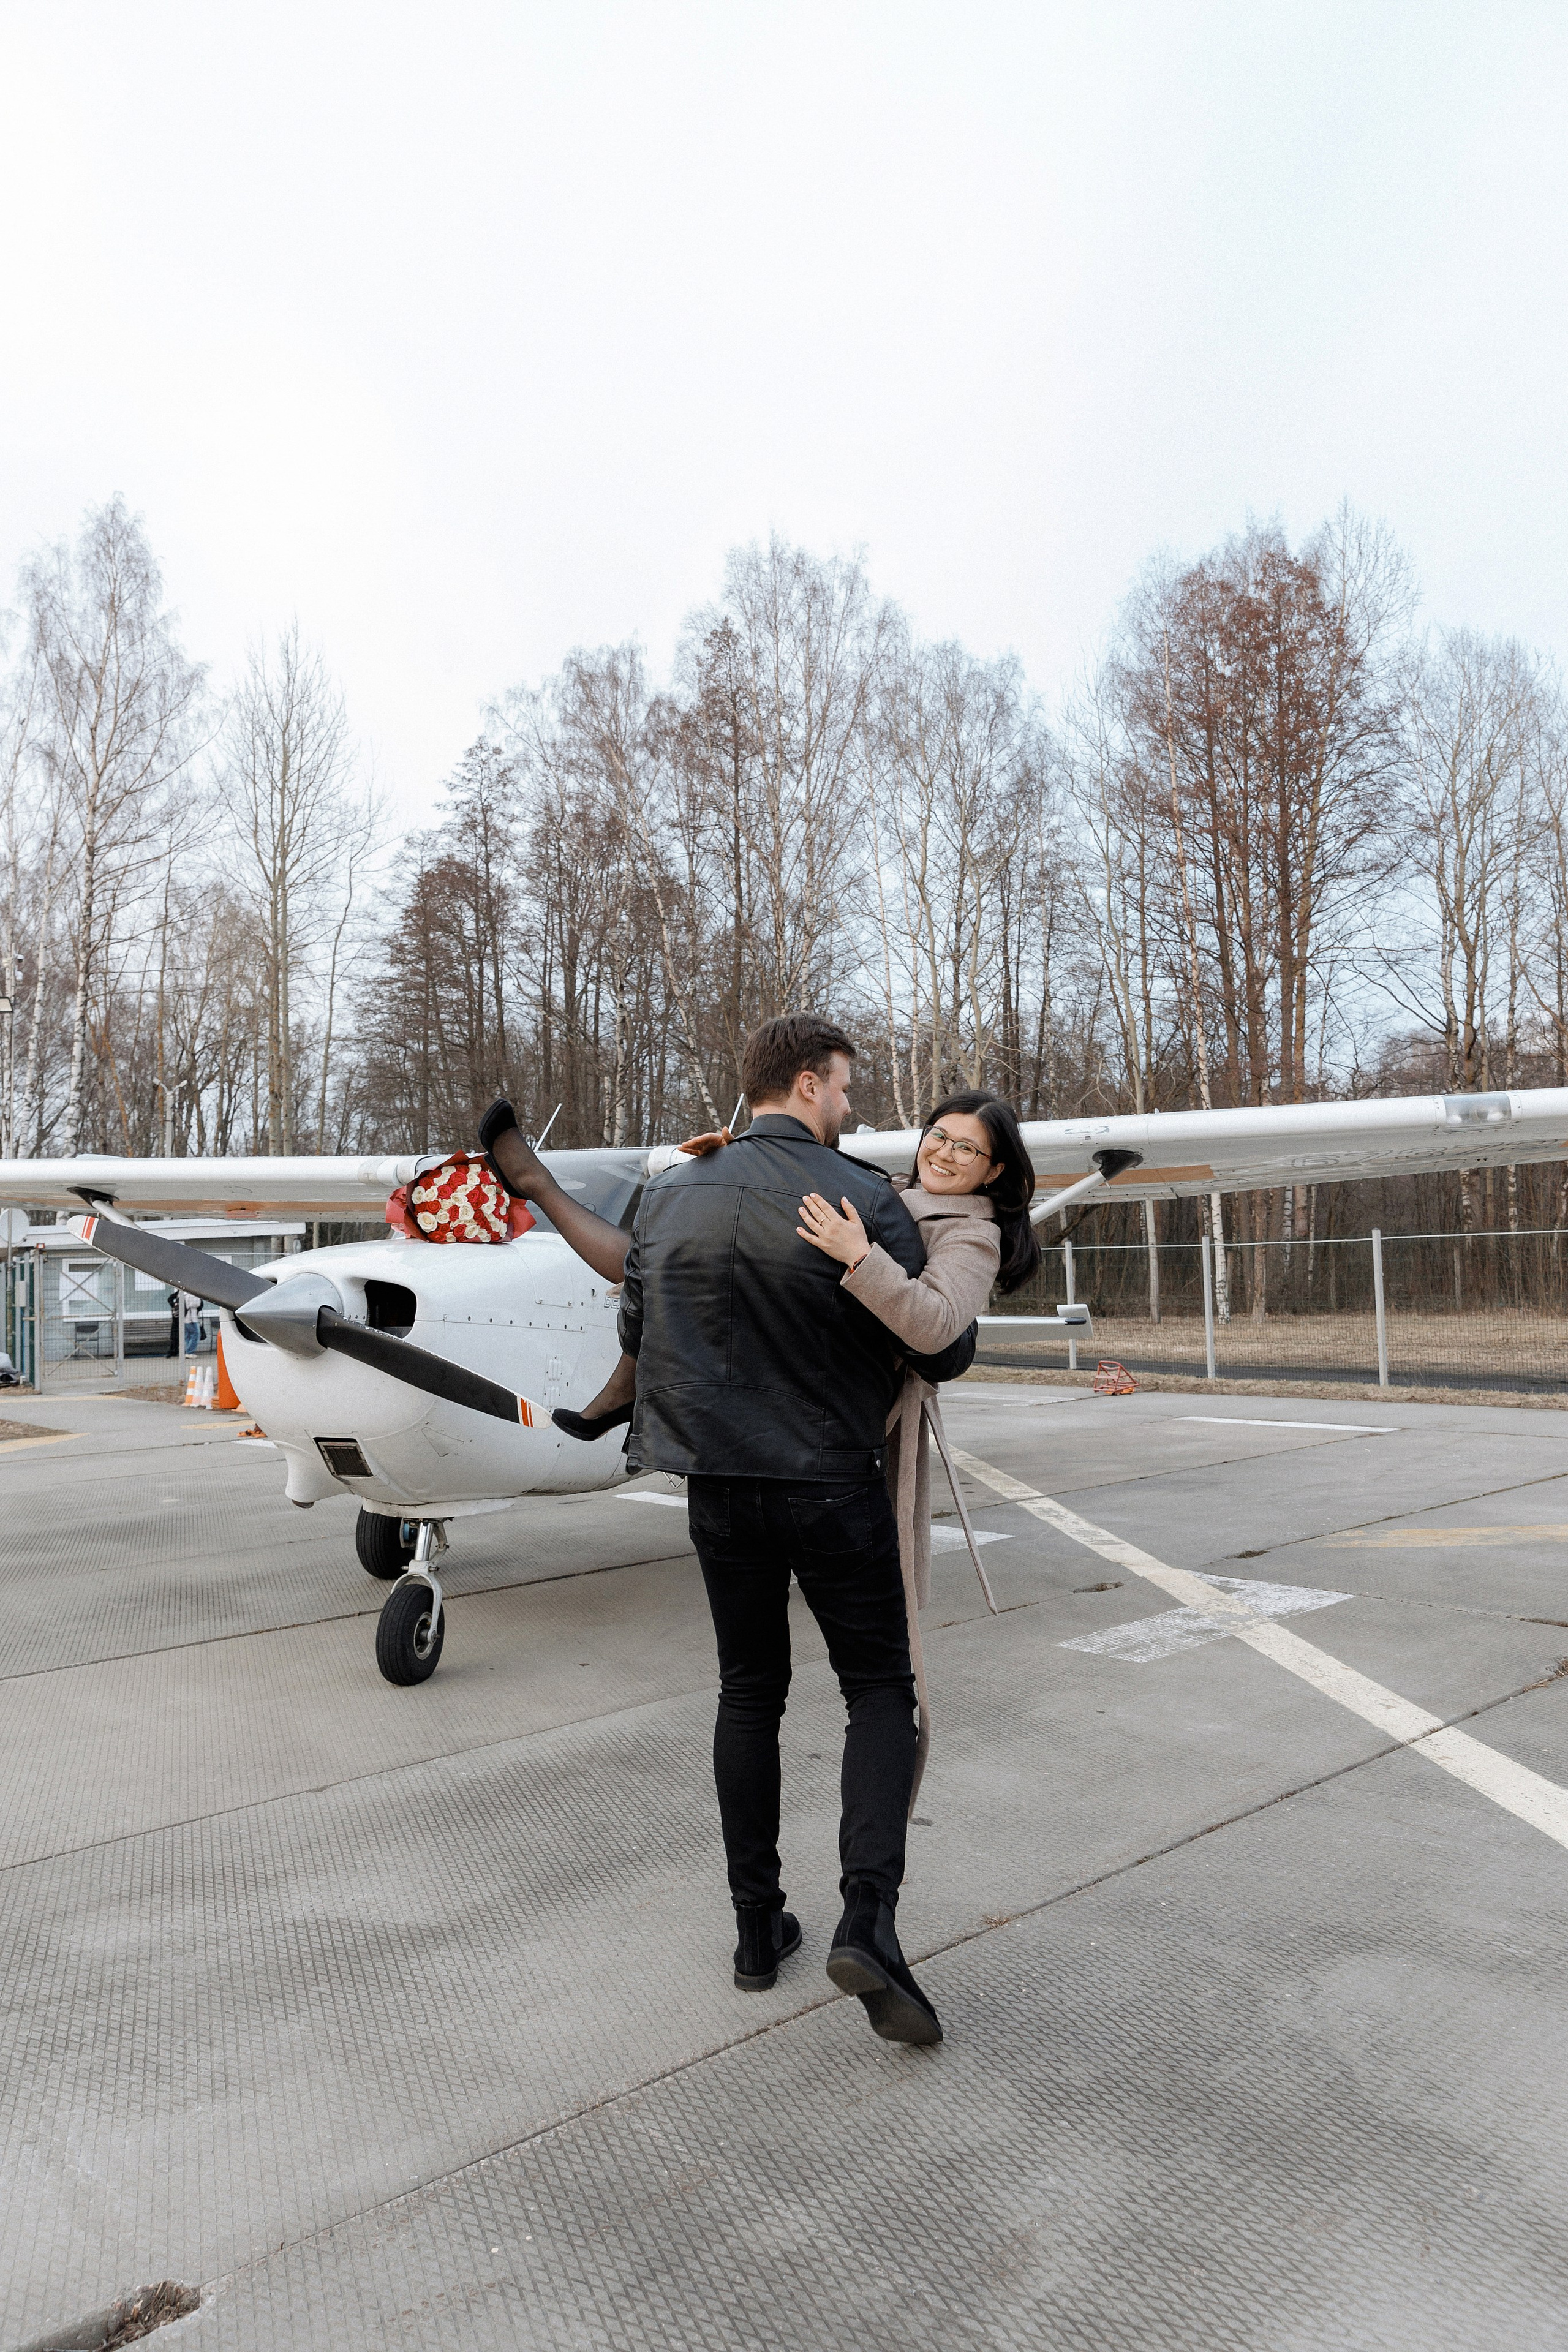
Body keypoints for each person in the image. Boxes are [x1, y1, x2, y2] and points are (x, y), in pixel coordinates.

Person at [481, 1018, 952, 2044]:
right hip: (831, 1477)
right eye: (843, 1089)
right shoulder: (861, 1195)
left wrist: (625, 1399)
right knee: (878, 1692)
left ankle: (755, 1931)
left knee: (750, 1694)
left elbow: (643, 1328)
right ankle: (866, 1918)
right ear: (805, 1083)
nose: (851, 1107)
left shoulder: (669, 1193)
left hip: (718, 1487)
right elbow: (940, 1346)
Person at [794, 1090, 1041, 1802]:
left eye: (967, 1148)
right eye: (939, 1135)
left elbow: (933, 1326)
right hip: (803, 1420)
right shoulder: (876, 1192)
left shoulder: (974, 1234)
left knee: (878, 1670)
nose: (945, 1153)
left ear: (994, 1171)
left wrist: (857, 1256)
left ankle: (880, 1841)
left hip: (869, 1440)